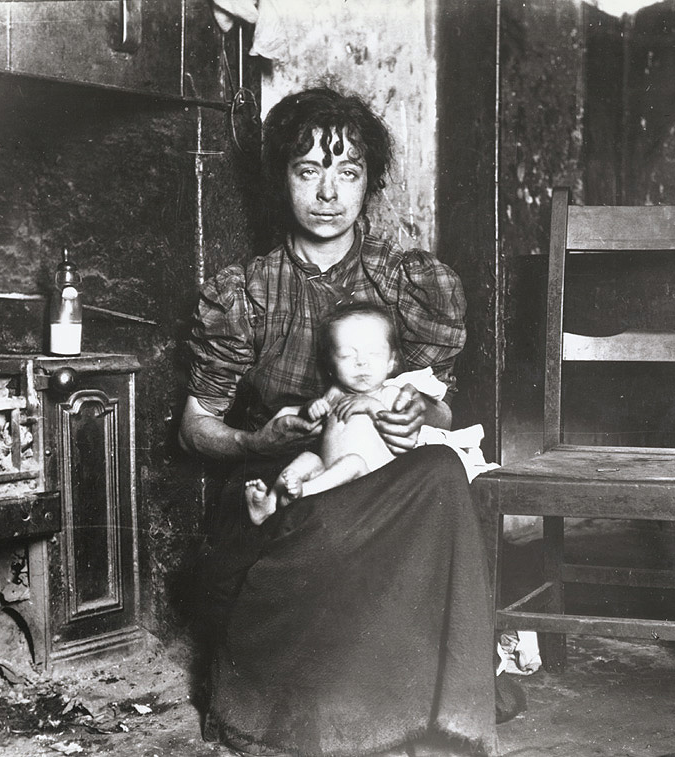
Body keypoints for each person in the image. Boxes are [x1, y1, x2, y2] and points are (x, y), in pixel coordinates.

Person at [179, 86, 496, 757]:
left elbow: (439, 405)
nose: (328, 193)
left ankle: (449, 708)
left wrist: (417, 414)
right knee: (316, 512)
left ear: (368, 185)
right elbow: (194, 425)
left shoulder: (402, 283)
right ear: (281, 180)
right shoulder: (250, 289)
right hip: (290, 482)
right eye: (308, 171)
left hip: (378, 472)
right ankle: (306, 709)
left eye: (347, 172)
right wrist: (251, 439)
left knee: (440, 473)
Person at [243, 302, 412, 523]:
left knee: (353, 461)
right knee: (308, 458)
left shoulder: (390, 394)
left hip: (371, 482)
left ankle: (301, 495)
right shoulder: (334, 393)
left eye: (374, 353)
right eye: (346, 355)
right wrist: (313, 408)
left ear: (391, 362)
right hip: (329, 479)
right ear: (330, 366)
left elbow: (403, 433)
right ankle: (269, 504)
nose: (362, 363)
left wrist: (371, 405)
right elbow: (311, 416)